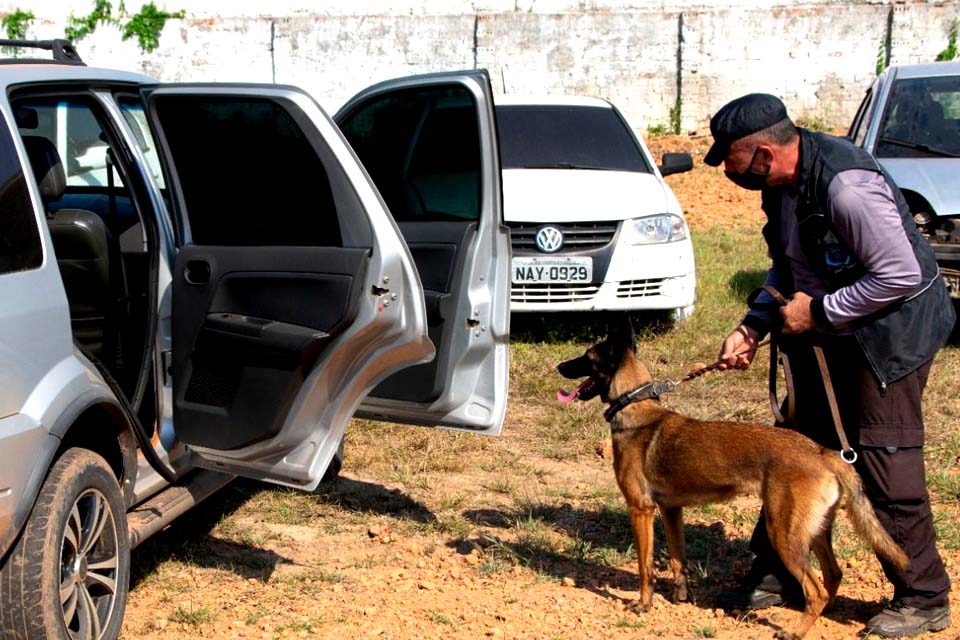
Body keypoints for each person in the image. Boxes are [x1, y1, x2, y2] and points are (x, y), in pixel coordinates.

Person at [705, 93, 956, 638]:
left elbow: (901, 276)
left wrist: (819, 311)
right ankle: (781, 572)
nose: (726, 171)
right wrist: (754, 325)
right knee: (795, 449)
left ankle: (923, 596)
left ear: (765, 155)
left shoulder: (846, 186)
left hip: (891, 336)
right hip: (828, 332)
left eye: (731, 160)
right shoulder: (782, 188)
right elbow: (788, 267)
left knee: (884, 460)